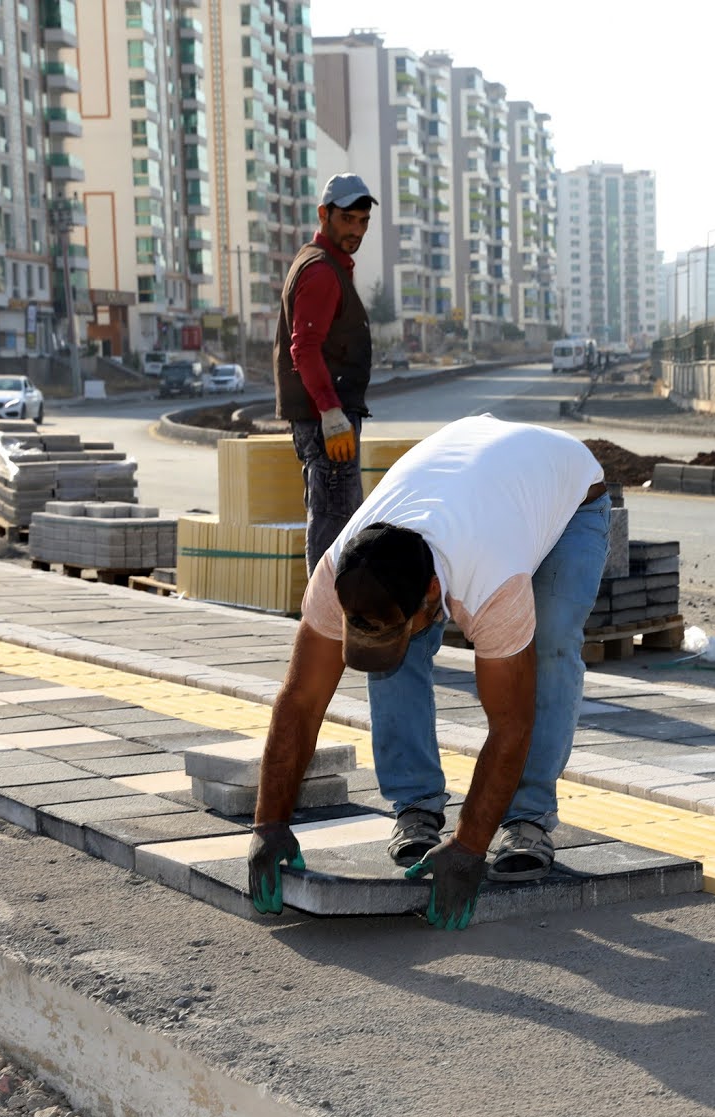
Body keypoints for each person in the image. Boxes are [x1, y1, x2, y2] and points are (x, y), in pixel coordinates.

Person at [245, 415, 610, 929]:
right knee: (398, 655)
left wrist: (468, 847)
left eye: (397, 621)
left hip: (568, 497)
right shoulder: (339, 573)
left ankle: (527, 820)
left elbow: (512, 724)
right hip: (470, 482)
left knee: (546, 647)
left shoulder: (491, 582)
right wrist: (269, 823)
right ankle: (416, 808)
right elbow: (301, 702)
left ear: (434, 597)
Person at [274, 173, 377, 570]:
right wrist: (331, 413)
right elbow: (305, 347)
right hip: (326, 419)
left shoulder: (327, 265)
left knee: (339, 519)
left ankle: (328, 623)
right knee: (333, 525)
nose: (356, 230)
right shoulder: (320, 271)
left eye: (363, 222)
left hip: (326, 416)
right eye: (348, 219)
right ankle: (322, 624)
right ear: (324, 214)